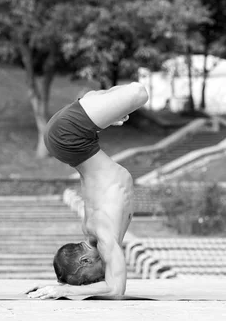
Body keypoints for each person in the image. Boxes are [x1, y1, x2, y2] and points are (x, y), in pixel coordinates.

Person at [26, 82, 149, 299]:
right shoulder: (92, 228)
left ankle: (107, 104)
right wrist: (61, 286)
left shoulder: (103, 235)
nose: (95, 281)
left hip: (68, 139)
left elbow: (115, 289)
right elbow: (109, 285)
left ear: (85, 261)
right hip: (65, 140)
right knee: (109, 97)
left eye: (86, 279)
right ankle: (104, 103)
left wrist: (65, 289)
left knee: (138, 93)